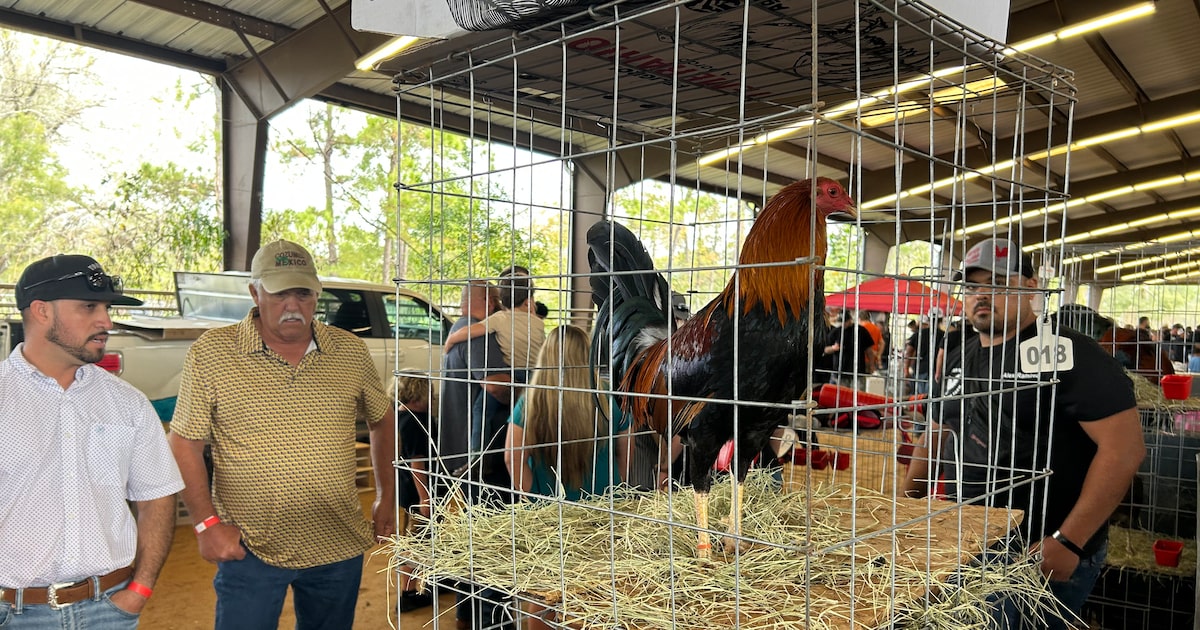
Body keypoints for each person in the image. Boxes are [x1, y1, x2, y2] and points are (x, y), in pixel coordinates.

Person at [902, 238, 1144, 629]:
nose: (981, 296)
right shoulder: (964, 354)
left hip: (1037, 552)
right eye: (973, 287)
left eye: (997, 284)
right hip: (966, 544)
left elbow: (1125, 449)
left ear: (1031, 287)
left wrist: (1069, 541)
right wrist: (902, 506)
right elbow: (937, 432)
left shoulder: (1066, 351)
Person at [168, 240, 395, 630]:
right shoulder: (214, 352)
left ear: (316, 294)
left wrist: (386, 499)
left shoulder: (349, 351)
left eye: (303, 293)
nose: (293, 305)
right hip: (248, 546)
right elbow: (184, 441)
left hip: (337, 542)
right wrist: (206, 524)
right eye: (279, 293)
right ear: (255, 293)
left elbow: (382, 418)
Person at [0, 254, 184, 628]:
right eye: (89, 307)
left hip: (109, 610)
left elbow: (157, 497)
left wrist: (140, 591)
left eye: (106, 308)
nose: (106, 321)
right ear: (40, 311)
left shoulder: (128, 403)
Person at [505, 325, 632, 630]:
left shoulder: (532, 401)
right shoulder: (605, 399)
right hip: (601, 515)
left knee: (540, 594)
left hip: (550, 517)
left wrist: (529, 498)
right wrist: (620, 488)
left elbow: (512, 456)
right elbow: (626, 452)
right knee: (593, 595)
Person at [392, 369, 434, 613]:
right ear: (418, 394)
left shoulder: (398, 417)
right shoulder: (416, 423)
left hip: (405, 490)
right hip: (419, 492)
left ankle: (420, 584)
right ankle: (408, 591)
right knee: (417, 541)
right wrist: (425, 499)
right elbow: (418, 464)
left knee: (420, 539)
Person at [821, 313, 875, 389]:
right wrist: (833, 348)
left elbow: (869, 351)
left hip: (857, 371)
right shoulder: (836, 332)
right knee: (842, 395)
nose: (843, 324)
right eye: (841, 322)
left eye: (845, 321)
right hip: (840, 371)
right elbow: (825, 350)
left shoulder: (861, 331)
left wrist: (872, 365)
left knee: (858, 394)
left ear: (850, 320)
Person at [903, 311, 943, 396]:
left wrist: (906, 369)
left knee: (919, 397)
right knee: (931, 397)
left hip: (920, 369)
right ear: (941, 320)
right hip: (936, 370)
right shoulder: (944, 336)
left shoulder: (918, 334)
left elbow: (908, 352)